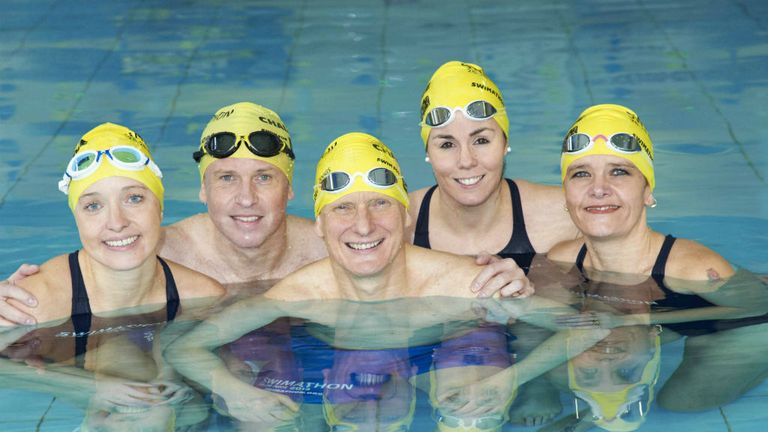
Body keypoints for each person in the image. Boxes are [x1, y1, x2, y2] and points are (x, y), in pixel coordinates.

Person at [165, 132, 607, 430]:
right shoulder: (299, 293)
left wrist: (512, 379)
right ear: (319, 225)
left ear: (406, 215)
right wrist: (231, 391)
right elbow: (184, 346)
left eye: (379, 205)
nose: (362, 226)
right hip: (329, 362)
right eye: (343, 208)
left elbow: (591, 329)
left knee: (472, 419)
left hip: (450, 345)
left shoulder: (463, 280)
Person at [0, 102, 533, 325]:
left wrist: (508, 277)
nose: (246, 198)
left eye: (264, 178)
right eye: (226, 179)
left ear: (292, 191)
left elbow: (415, 266)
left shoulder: (336, 240)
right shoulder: (155, 247)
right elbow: (93, 259)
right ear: (201, 191)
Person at [546, 103, 768, 414]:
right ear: (566, 196)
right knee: (557, 376)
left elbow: (760, 306)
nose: (598, 189)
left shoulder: (694, 268)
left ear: (647, 191)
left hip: (739, 322)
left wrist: (644, 319)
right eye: (581, 173)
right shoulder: (562, 260)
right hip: (668, 319)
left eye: (619, 172)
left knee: (682, 403)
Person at [0, 122, 223, 426]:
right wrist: (88, 386)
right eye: (93, 206)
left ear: (159, 207)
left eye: (134, 198)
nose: (116, 222)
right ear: (76, 218)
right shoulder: (36, 300)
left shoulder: (202, 295)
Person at [410, 60, 580, 270]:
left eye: (481, 141)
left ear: (505, 142)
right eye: (446, 144)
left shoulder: (567, 215)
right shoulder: (398, 225)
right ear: (428, 152)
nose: (466, 161)